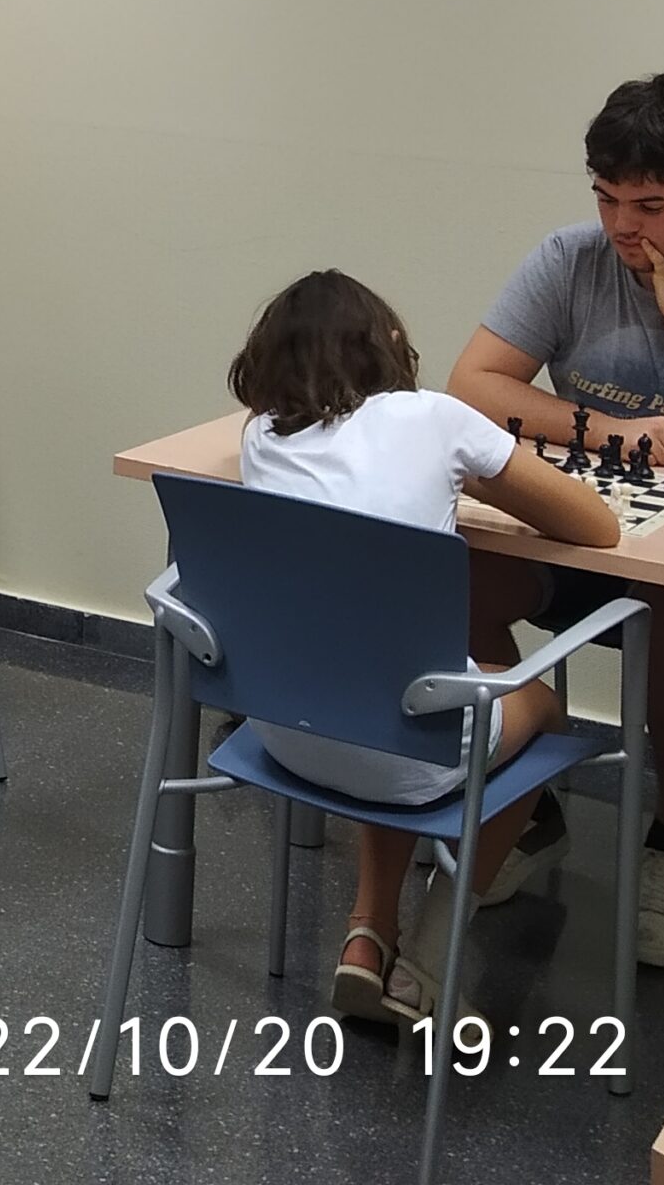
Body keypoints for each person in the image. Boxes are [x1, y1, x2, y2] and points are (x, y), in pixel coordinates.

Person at [231, 271, 617, 1025]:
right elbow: (596, 526)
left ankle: (368, 934)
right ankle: (433, 958)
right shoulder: (435, 417)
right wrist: (469, 475)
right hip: (405, 747)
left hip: (282, 733)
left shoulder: (258, 436)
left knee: (396, 689)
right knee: (538, 707)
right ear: (390, 342)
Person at [447, 72, 664, 969]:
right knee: (455, 572)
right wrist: (610, 430)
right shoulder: (570, 259)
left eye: (649, 205)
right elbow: (474, 384)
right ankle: (526, 809)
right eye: (606, 198)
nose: (621, 226)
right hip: (589, 531)